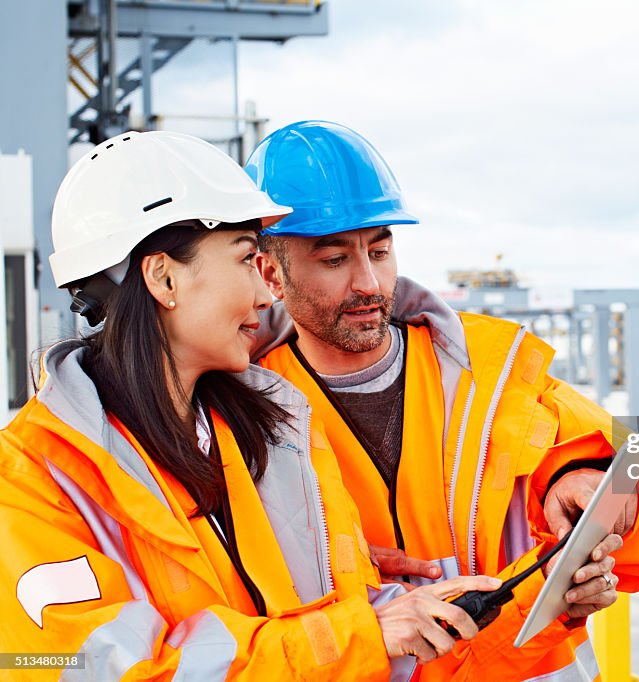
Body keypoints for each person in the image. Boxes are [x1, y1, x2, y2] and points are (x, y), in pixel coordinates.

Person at [0, 130, 504, 680]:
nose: (266, 296)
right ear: (164, 277)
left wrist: (433, 608)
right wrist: (365, 632)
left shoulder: (272, 428)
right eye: (246, 261)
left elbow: (621, 450)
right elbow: (90, 668)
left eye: (380, 251)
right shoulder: (30, 481)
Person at [247, 121, 639, 681]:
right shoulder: (243, 409)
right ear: (271, 274)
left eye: (380, 252)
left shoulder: (490, 369)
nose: (369, 282)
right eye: (335, 260)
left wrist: (578, 475)